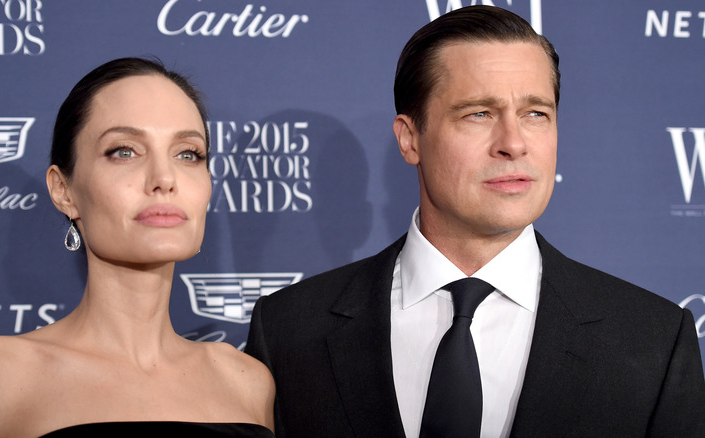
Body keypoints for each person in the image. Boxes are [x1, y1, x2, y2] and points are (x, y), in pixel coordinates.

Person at [245, 6, 705, 438]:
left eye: (535, 114)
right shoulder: (289, 331)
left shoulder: (653, 341)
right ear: (410, 139)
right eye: (479, 114)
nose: (514, 143)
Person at [0, 57, 275, 437]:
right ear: (64, 191)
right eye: (124, 151)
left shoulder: (247, 382)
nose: (164, 179)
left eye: (188, 154)